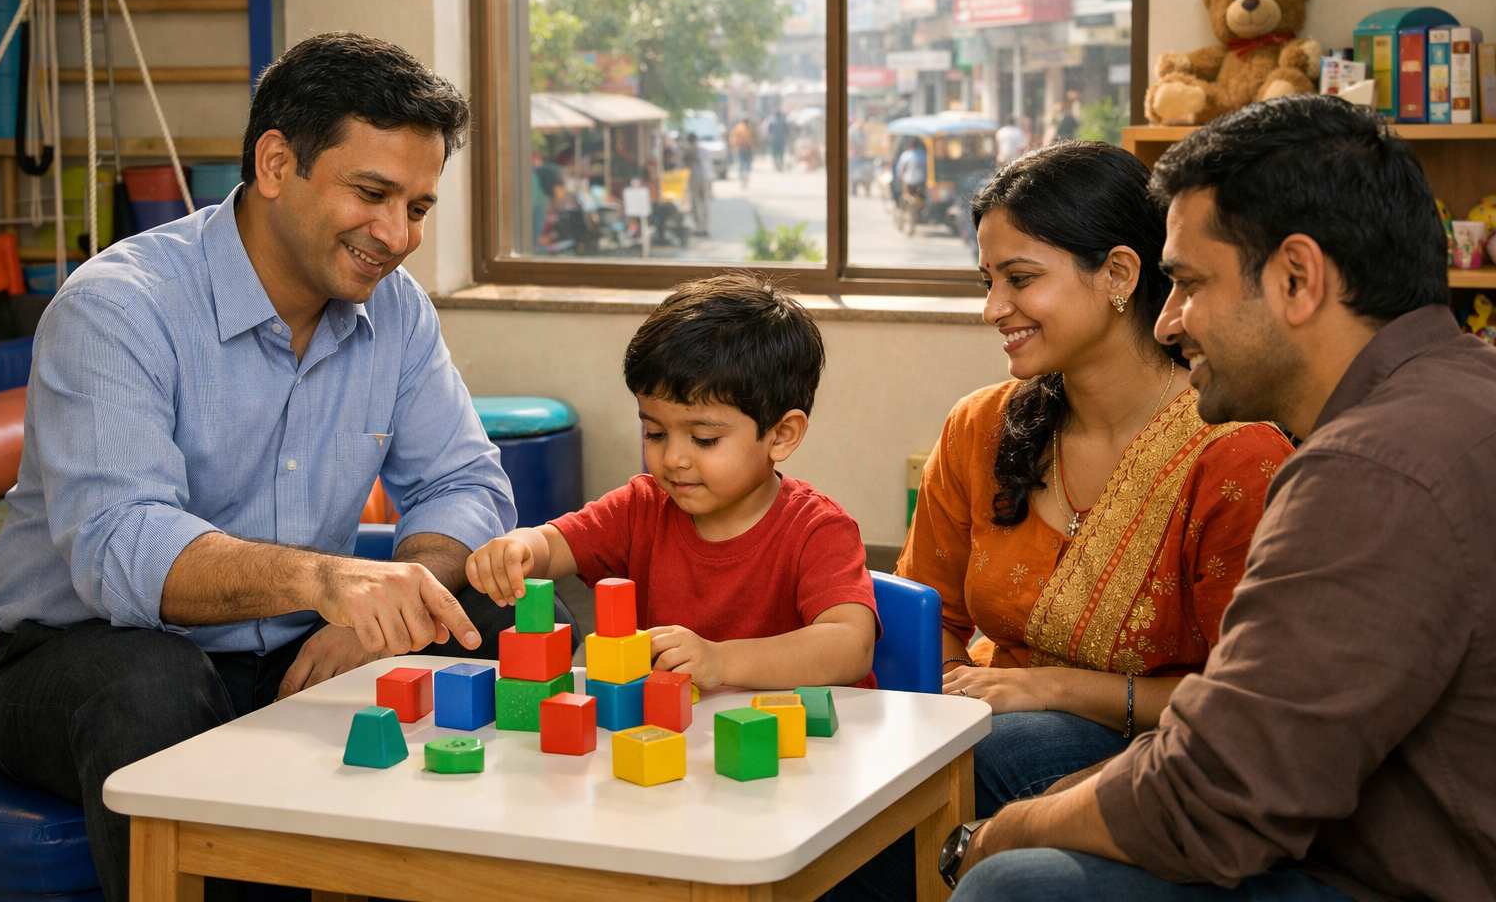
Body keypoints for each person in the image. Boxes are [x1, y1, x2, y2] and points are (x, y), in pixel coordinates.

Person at [0, 32, 555, 902]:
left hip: (294, 644)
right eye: (372, 194)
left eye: (418, 207)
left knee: (517, 612)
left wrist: (386, 615)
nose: (398, 236)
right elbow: (123, 547)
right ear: (277, 163)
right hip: (76, 656)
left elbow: (463, 485)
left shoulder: (396, 311)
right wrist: (328, 581)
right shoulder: (118, 307)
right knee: (154, 686)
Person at [949, 96, 1496, 900]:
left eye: (1189, 284)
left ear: (1297, 279)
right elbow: (1239, 731)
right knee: (999, 757)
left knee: (1014, 885)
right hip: (1334, 803)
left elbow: (1219, 798)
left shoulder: (1365, 471)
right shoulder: (1461, 386)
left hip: (1388, 872)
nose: (1169, 321)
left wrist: (997, 836)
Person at [829, 140, 1291, 900]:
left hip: (1162, 754)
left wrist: (1054, 688)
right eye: (987, 282)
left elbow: (1248, 709)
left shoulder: (1236, 455)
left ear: (1119, 274)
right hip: (993, 711)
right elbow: (928, 615)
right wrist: (937, 702)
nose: (993, 309)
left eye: (1020, 279)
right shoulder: (981, 426)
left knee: (981, 755)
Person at [467, 273, 878, 691]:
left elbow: (850, 645)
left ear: (781, 435)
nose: (673, 459)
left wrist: (721, 660)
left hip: (798, 732)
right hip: (675, 728)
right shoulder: (641, 506)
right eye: (655, 433)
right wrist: (520, 548)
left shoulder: (817, 529)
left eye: (704, 439)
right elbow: (555, 545)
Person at [683, 132, 712, 235]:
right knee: (704, 203)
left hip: (695, 178)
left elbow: (686, 163)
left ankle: (699, 227)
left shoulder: (690, 149)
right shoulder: (704, 149)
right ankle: (705, 227)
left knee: (696, 203)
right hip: (706, 177)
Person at [729, 117, 755, 188]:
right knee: (744, 162)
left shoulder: (739, 127)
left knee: (743, 162)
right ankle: (744, 175)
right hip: (743, 147)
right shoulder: (744, 128)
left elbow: (733, 138)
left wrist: (734, 146)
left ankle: (743, 176)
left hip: (743, 147)